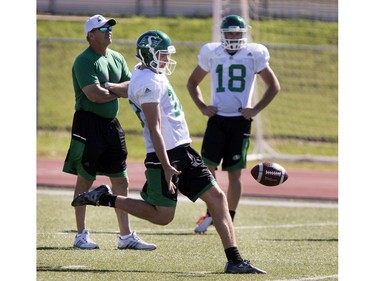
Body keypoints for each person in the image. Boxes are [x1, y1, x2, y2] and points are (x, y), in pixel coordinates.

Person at [71, 29, 266, 274]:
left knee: (218, 198)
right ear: (149, 54)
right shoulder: (148, 82)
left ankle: (234, 260)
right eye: (162, 55)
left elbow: (130, 87)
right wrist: (166, 166)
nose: (166, 59)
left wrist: (110, 86)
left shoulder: (145, 73)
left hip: (182, 149)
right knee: (163, 217)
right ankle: (105, 198)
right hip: (166, 154)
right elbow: (154, 128)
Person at [63, 14, 156, 251]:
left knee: (121, 179)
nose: (108, 31)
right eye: (102, 28)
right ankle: (80, 234)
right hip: (88, 123)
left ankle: (125, 236)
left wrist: (110, 88)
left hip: (111, 124)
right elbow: (94, 95)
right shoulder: (84, 61)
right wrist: (117, 90)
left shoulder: (116, 58)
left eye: (109, 27)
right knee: (85, 177)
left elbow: (131, 88)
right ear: (90, 35)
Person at [186, 15, 281, 233]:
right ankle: (211, 213)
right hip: (217, 120)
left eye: (237, 33)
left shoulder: (253, 53)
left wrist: (255, 109)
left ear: (244, 34)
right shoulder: (213, 52)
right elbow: (192, 82)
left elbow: (274, 86)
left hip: (240, 122)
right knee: (207, 169)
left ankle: (230, 217)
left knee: (234, 174)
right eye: (230, 33)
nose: (234, 36)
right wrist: (202, 106)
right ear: (223, 34)